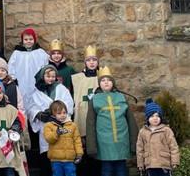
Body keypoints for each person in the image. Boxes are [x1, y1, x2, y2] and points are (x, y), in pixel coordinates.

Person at [86, 66, 139, 176]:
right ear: (99, 83)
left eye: (109, 80)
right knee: (107, 169)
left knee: (121, 168)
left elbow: (131, 121)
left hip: (121, 140)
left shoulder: (121, 97)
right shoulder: (95, 99)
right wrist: (91, 146)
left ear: (113, 83)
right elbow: (90, 124)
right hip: (104, 141)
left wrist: (134, 143)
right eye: (103, 80)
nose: (106, 83)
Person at [24, 65, 74, 176]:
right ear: (43, 77)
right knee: (47, 156)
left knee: (61, 154)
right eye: (48, 76)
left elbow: (69, 104)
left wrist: (57, 114)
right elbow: (31, 107)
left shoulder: (61, 88)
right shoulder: (36, 92)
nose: (51, 78)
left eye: (53, 76)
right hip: (45, 126)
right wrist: (39, 114)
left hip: (60, 124)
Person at [71, 45, 100, 176]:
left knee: (97, 153)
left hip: (98, 120)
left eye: (94, 59)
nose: (92, 62)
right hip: (82, 118)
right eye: (89, 60)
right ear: (85, 62)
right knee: (84, 153)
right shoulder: (77, 78)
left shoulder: (103, 78)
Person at [8, 28, 49, 111]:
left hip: (35, 84)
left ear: (34, 40)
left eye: (31, 39)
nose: (28, 41)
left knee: (36, 104)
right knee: (22, 103)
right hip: (21, 83)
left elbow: (46, 66)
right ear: (22, 40)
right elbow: (11, 67)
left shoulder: (40, 52)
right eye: (26, 39)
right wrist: (13, 79)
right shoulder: (17, 53)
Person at [136, 99, 180, 176]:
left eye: (157, 116)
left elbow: (173, 146)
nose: (155, 118)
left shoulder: (166, 130)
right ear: (147, 118)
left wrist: (174, 161)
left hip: (164, 164)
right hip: (150, 165)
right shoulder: (143, 132)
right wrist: (140, 163)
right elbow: (140, 149)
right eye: (152, 116)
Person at [43, 100, 83, 176]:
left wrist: (79, 154)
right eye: (59, 113)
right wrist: (56, 133)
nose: (62, 115)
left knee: (71, 174)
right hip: (56, 159)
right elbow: (48, 139)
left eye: (64, 113)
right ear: (53, 114)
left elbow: (77, 141)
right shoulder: (48, 125)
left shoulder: (72, 125)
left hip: (70, 159)